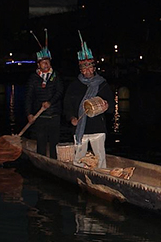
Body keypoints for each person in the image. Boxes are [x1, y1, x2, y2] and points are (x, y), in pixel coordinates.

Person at [63, 35, 114, 168]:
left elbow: (111, 107)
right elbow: (67, 104)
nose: (87, 71)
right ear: (81, 70)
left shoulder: (102, 84)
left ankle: (101, 178)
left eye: (90, 67)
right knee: (79, 160)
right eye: (84, 68)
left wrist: (107, 106)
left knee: (100, 159)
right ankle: (79, 178)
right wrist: (72, 118)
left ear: (94, 67)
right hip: (81, 128)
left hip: (98, 128)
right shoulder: (74, 85)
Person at [24, 30, 64, 158]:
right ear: (38, 64)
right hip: (40, 117)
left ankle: (54, 163)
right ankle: (41, 162)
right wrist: (29, 114)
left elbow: (59, 91)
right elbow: (29, 97)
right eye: (43, 62)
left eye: (48, 62)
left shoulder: (56, 75)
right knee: (41, 143)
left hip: (54, 115)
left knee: (54, 143)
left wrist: (50, 102)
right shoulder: (33, 78)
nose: (46, 65)